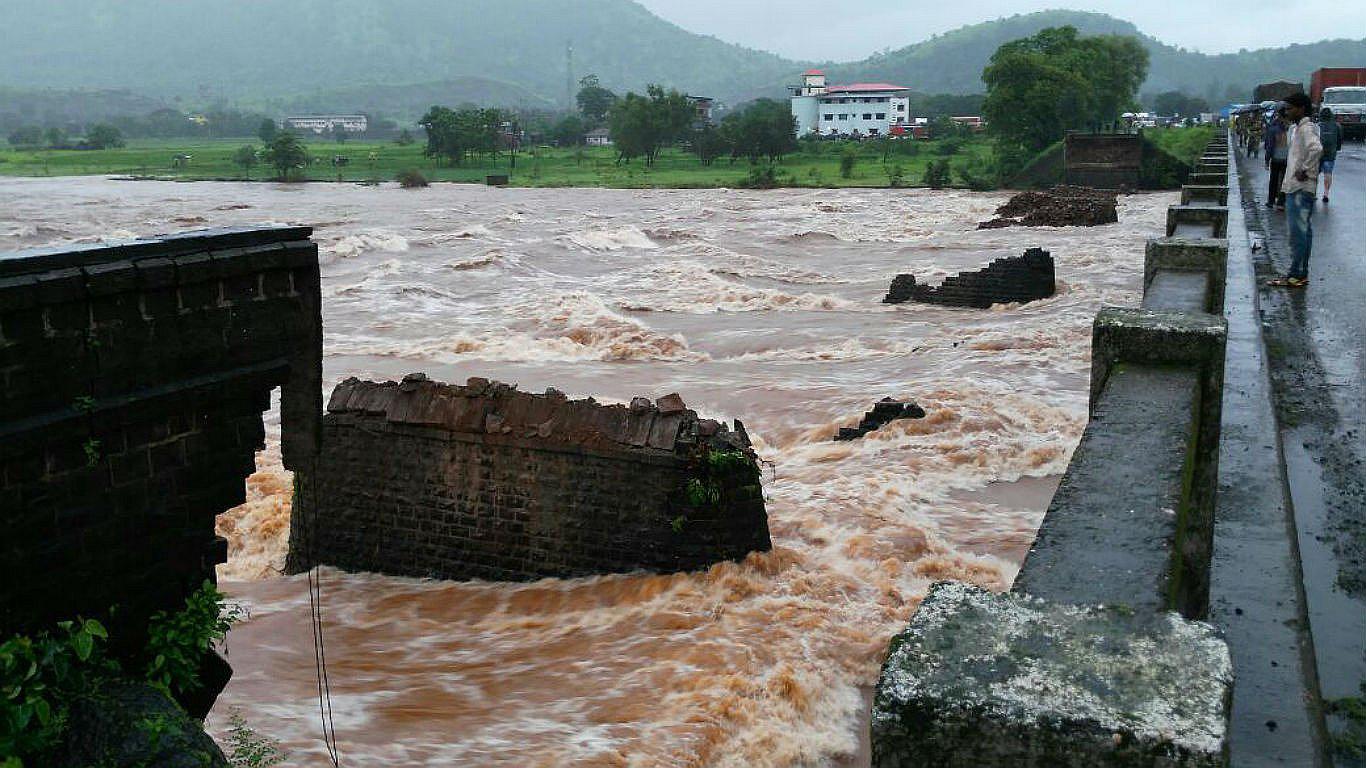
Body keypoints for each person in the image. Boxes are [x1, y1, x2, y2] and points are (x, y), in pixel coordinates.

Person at [1268, 92, 1323, 288]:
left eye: (1290, 108)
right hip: (1298, 188)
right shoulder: (1298, 128)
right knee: (1303, 233)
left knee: (1297, 234)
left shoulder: (1306, 129)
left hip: (1300, 189)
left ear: (1301, 108)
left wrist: (1305, 169)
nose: (1287, 111)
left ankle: (1295, 275)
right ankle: (1300, 273)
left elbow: (1316, 149)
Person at [1264, 108, 1289, 209]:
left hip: (1276, 158)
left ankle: (1271, 201)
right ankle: (1281, 202)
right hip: (1287, 159)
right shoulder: (1290, 128)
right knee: (1284, 181)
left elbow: (1270, 146)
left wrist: (1267, 160)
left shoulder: (1273, 129)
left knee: (1273, 180)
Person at [1318, 107, 1341, 204]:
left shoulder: (1318, 125)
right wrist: (1337, 148)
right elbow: (1339, 139)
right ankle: (1326, 193)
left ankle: (1313, 192)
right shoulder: (1337, 126)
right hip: (1331, 152)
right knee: (1328, 173)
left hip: (1319, 152)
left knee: (1315, 173)